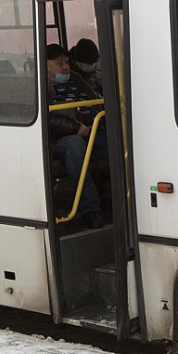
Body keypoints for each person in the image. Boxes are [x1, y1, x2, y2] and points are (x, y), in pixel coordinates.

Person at [47, 43, 106, 229]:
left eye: (66, 62)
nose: (65, 67)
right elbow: (45, 119)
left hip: (93, 129)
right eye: (59, 63)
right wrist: (74, 127)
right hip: (58, 140)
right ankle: (90, 210)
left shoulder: (79, 82)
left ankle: (118, 200)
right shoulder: (40, 89)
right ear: (45, 66)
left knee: (119, 142)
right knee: (74, 145)